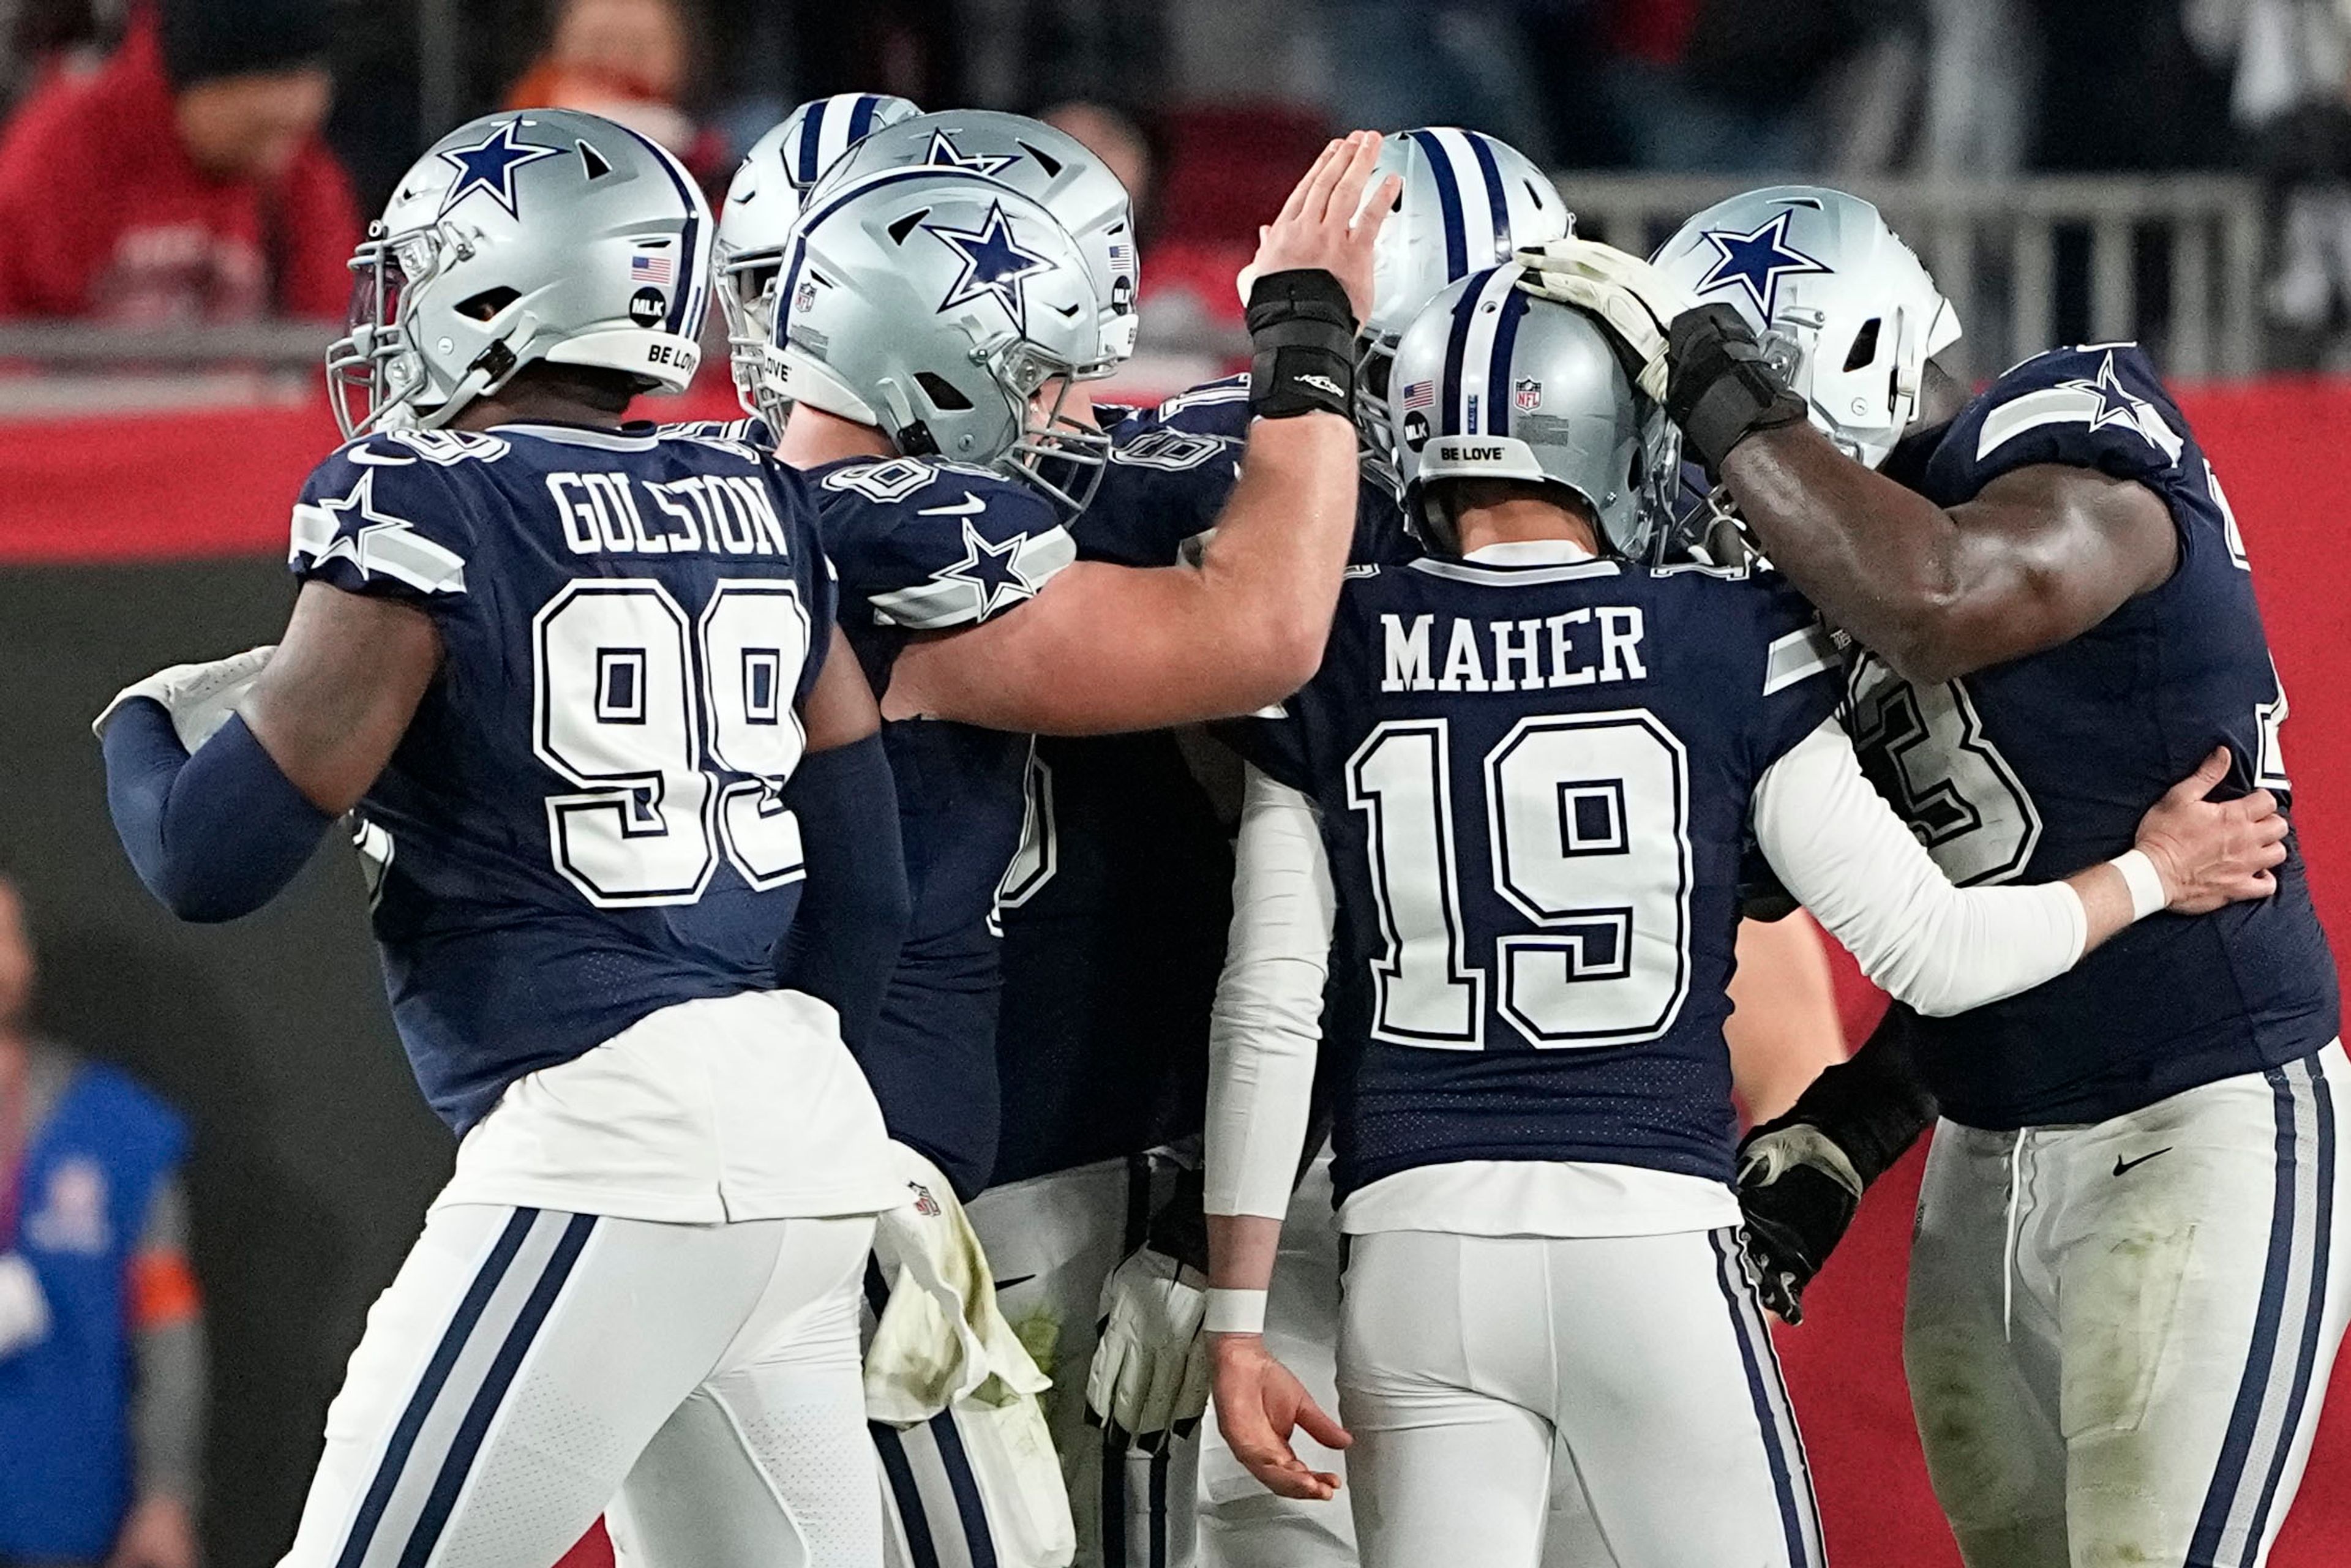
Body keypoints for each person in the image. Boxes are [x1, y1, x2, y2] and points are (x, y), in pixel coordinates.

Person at [1198, 263, 2292, 1568]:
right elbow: (1936, 952)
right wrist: (2153, 871)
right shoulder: (1720, 635)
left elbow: (1267, 1003)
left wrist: (1235, 1311)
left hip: (1409, 1252)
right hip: (1647, 1235)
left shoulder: (1335, 642)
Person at [96, 108, 918, 1568]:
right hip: (801, 1143)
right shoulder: (759, 492)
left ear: (499, 285)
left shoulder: (428, 499)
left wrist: (142, 721)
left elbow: (205, 862)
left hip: (616, 1147)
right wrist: (755, 1088)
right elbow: (868, 885)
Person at [1589, 184, 2344, 1567]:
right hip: (1985, 1151)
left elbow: (1937, 597)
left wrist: (1702, 376)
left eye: (1727, 452)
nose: (1722, 501)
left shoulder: (2066, 448)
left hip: (2197, 1120)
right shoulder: (1802, 608)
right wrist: (1842, 1128)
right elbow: (1939, 929)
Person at [0, 877, 204, 1568]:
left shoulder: (116, 1130)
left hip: (72, 1514)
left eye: (5, 936)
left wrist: (168, 1493)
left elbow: (168, 1321)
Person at [0, 0, 356, 322]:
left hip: (243, 392)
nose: (278, 159)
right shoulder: (61, 154)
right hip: (74, 391)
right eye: (259, 131)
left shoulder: (302, 170)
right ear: (202, 89)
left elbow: (339, 338)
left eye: (295, 132)